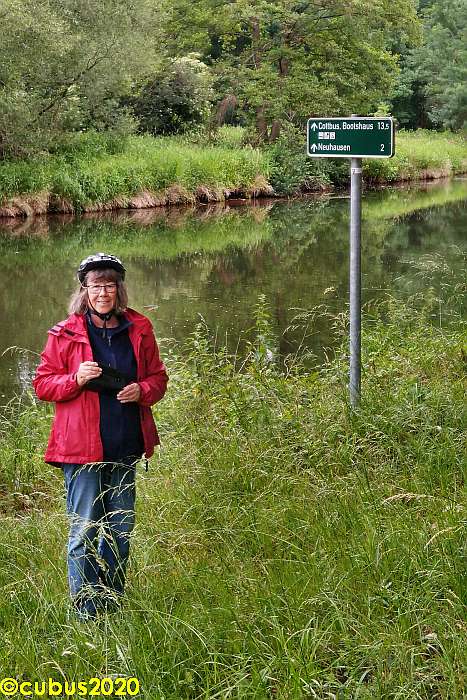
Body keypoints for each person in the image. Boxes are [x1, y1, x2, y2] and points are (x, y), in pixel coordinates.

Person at [33, 253, 168, 620]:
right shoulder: (65, 333)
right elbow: (42, 384)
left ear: (119, 289)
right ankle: (87, 614)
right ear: (85, 291)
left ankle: (112, 603)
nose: (103, 292)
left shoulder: (139, 329)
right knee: (85, 533)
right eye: (96, 286)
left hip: (124, 447)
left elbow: (158, 378)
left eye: (110, 285)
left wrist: (142, 390)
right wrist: (76, 379)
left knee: (120, 531)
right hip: (81, 452)